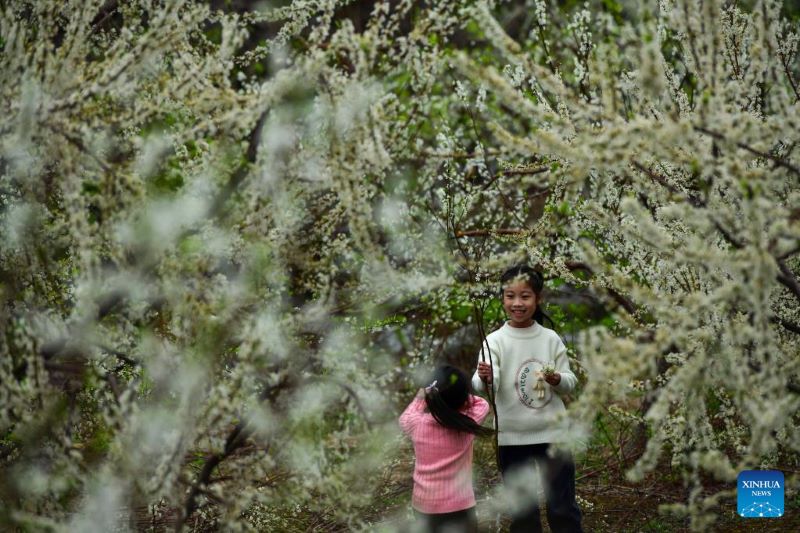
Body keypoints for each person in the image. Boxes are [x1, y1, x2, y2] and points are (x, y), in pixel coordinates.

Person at [472, 265, 583, 533]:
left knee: (562, 507)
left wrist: (556, 379)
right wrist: (485, 378)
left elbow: (570, 383)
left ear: (538, 298)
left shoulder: (550, 338)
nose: (517, 303)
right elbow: (480, 385)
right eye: (510, 296)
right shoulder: (495, 341)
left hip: (554, 435)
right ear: (502, 298)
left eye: (525, 296)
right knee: (523, 513)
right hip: (512, 439)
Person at [399, 365, 493, 533]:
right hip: (460, 506)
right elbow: (482, 403)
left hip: (423, 507)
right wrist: (458, 394)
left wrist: (422, 397)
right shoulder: (466, 424)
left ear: (432, 397)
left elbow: (405, 417)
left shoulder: (415, 423)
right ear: (463, 397)